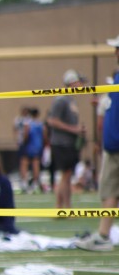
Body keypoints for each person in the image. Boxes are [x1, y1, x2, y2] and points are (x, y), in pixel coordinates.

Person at [75, 33, 119, 252]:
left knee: (109, 190)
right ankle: (103, 236)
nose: (115, 53)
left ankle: (103, 236)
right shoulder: (116, 78)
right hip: (112, 146)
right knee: (109, 192)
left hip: (115, 144)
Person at [46, 69, 87, 209]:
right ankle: (63, 207)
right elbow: (52, 120)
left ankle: (63, 207)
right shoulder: (61, 99)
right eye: (79, 82)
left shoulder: (70, 100)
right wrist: (74, 129)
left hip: (69, 143)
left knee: (67, 175)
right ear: (72, 83)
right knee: (65, 175)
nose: (81, 85)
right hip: (61, 143)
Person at [18, 107, 45, 194]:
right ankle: (35, 184)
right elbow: (44, 136)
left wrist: (23, 143)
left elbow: (26, 135)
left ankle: (25, 183)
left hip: (29, 146)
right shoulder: (41, 124)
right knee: (36, 165)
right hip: (38, 147)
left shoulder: (28, 124)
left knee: (24, 163)